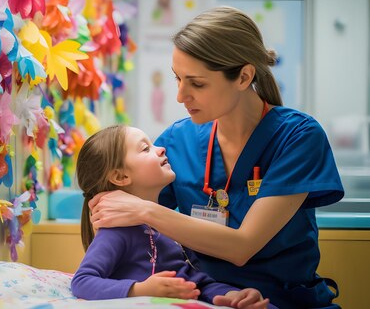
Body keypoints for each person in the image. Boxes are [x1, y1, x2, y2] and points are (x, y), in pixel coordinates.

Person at [88, 6, 344, 309]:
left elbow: (242, 246)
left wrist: (143, 210)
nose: (181, 96)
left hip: (285, 300)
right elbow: (121, 228)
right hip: (206, 298)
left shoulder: (298, 136)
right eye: (178, 79)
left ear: (243, 76)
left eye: (197, 83)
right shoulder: (176, 141)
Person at [71, 125, 273, 309]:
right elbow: (82, 281)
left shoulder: (168, 229)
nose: (161, 148)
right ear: (121, 177)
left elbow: (197, 282)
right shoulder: (116, 233)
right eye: (145, 148)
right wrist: (140, 290)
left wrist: (232, 295)